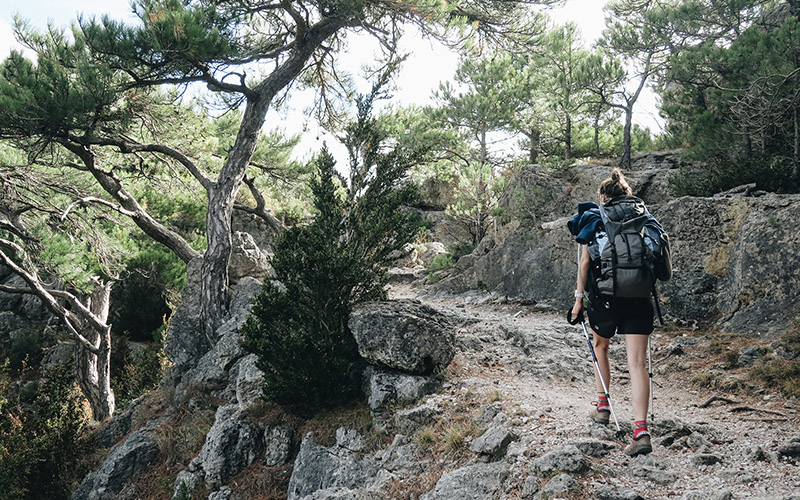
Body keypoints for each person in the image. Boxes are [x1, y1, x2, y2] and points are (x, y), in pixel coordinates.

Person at [568, 169, 655, 457]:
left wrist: (578, 301)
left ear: (604, 197)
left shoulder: (595, 217)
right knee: (638, 364)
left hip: (606, 298)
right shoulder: (643, 217)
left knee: (600, 345)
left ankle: (602, 405)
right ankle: (641, 431)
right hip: (640, 297)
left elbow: (584, 264)